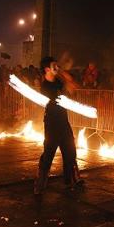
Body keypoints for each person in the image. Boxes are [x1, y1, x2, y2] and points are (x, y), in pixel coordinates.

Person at [34, 57, 82, 194]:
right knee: (49, 153)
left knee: (70, 151)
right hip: (52, 123)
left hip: (63, 122)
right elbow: (56, 99)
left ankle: (70, 180)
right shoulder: (46, 86)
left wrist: (61, 72)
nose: (56, 66)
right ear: (47, 69)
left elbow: (73, 87)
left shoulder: (59, 82)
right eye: (53, 65)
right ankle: (40, 183)